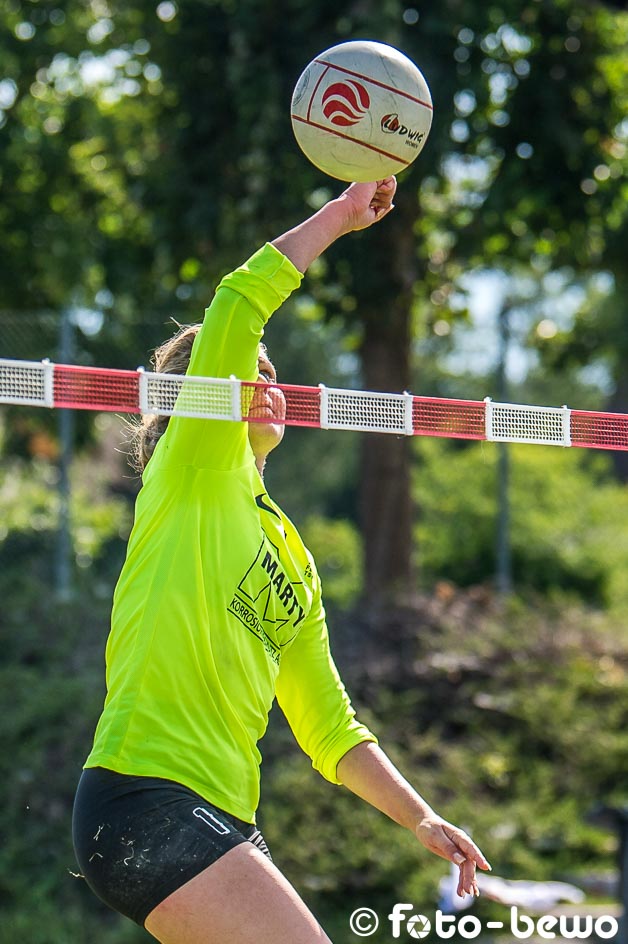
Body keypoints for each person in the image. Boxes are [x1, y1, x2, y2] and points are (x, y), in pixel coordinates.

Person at [72, 177, 490, 944]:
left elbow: (330, 729)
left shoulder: (293, 556)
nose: (266, 381)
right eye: (248, 370)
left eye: (272, 373)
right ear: (203, 393)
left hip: (222, 815)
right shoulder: (198, 463)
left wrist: (421, 817)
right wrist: (342, 215)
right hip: (144, 797)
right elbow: (239, 302)